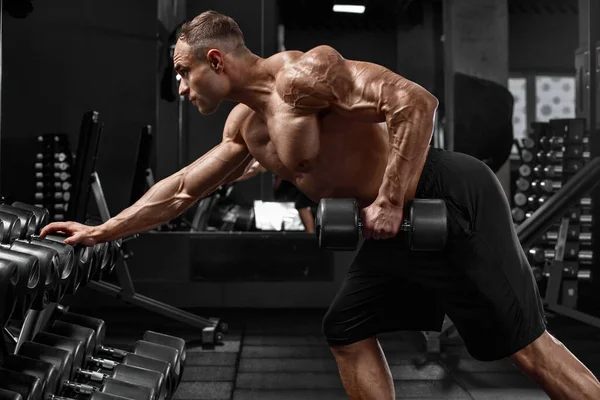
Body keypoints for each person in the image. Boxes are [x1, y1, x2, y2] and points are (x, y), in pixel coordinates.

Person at [41, 10, 600, 400]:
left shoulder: (305, 76)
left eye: (184, 74)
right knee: (347, 326)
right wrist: (101, 231)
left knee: (526, 349)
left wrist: (388, 197)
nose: (181, 88)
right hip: (395, 228)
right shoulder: (247, 127)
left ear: (216, 60)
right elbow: (184, 187)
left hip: (447, 193)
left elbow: (415, 104)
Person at [234, 160, 316, 232]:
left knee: (302, 205)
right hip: (295, 176)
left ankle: (311, 236)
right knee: (301, 205)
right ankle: (311, 235)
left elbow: (254, 169)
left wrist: (229, 179)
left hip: (302, 177)